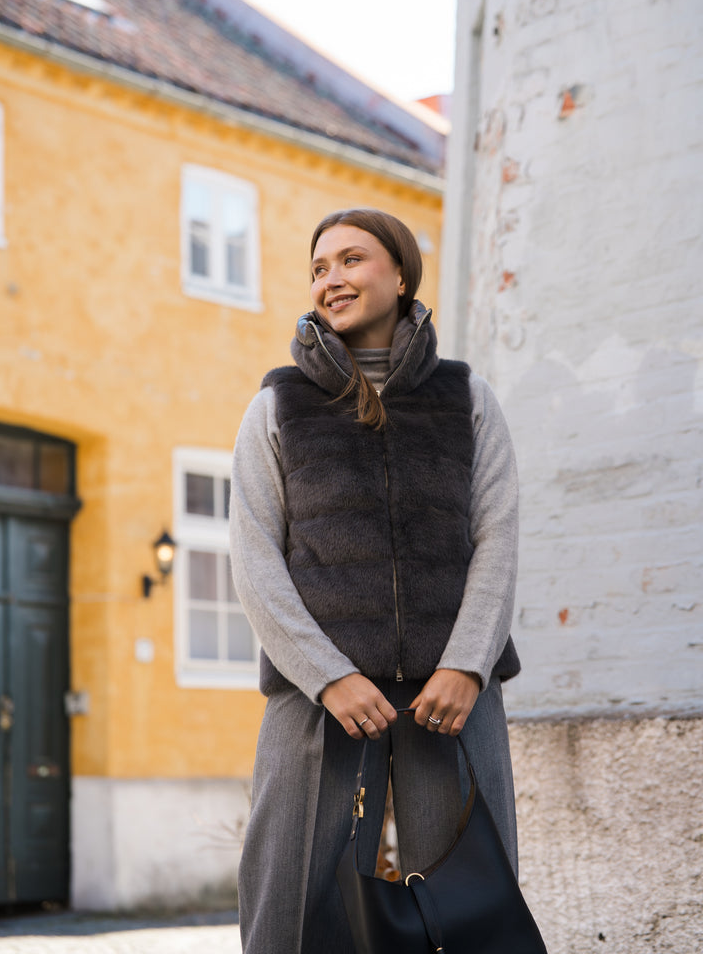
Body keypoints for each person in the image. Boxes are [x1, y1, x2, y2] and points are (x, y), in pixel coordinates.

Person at [230, 207, 522, 954]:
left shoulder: (469, 401)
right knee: (288, 910)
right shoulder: (278, 406)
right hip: (315, 697)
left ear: (399, 275)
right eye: (320, 268)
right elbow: (255, 557)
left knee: (471, 914)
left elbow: (497, 537)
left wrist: (466, 665)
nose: (332, 280)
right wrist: (329, 677)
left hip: (450, 699)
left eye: (352, 261)